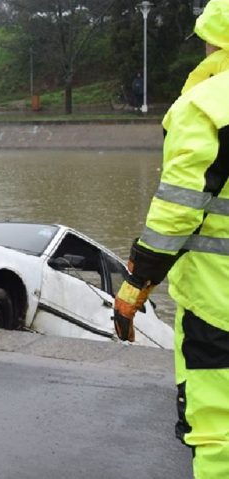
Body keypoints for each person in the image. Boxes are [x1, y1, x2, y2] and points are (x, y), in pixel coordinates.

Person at [112, 1, 229, 476]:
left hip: (218, 303)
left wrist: (134, 287)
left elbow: (176, 213)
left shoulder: (208, 103)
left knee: (217, 427)